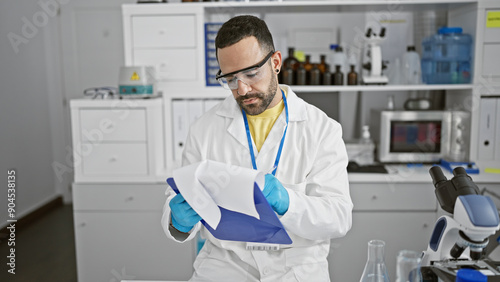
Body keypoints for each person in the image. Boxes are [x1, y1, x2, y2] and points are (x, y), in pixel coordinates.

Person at [161, 15, 353, 281]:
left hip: (295, 272)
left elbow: (339, 217)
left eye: (251, 74)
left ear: (275, 62)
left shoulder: (321, 129)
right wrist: (177, 219)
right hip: (224, 269)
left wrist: (288, 202)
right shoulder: (203, 129)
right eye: (230, 78)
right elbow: (177, 207)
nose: (242, 89)